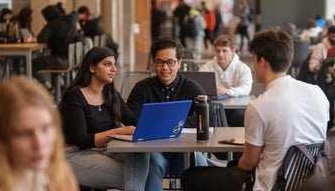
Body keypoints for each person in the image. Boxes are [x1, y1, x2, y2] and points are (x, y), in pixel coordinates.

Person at [181, 28, 329, 191]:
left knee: (191, 176)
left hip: (271, 184)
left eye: (254, 59)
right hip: (310, 182)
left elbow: (248, 163)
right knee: (231, 165)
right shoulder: (318, 93)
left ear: (262, 62)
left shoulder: (260, 106)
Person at [59, 47, 160, 190]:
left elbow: (134, 121)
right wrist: (118, 131)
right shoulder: (74, 97)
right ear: (92, 67)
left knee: (141, 155)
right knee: (137, 176)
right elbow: (80, 140)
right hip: (74, 154)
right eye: (107, 64)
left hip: (104, 150)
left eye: (114, 64)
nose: (114, 69)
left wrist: (160, 121)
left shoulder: (111, 95)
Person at [126, 36, 216, 190]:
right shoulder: (142, 88)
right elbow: (130, 118)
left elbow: (209, 117)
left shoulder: (190, 86)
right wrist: (171, 124)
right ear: (153, 63)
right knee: (153, 163)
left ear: (179, 63)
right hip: (151, 150)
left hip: (183, 150)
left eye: (170, 62)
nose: (165, 68)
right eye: (159, 62)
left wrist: (171, 125)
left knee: (201, 165)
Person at [0, 76, 78, 190]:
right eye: (25, 134)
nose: (39, 143)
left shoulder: (60, 174)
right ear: (0, 138)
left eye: (45, 128)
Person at [199, 34, 252, 127]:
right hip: (213, 107)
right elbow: (198, 85)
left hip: (236, 109)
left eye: (224, 51)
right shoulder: (207, 67)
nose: (220, 54)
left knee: (241, 116)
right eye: (218, 51)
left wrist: (229, 91)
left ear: (233, 50)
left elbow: (246, 88)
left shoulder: (243, 68)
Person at [33, 4, 82, 90]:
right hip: (74, 58)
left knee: (32, 64)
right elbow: (76, 14)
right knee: (51, 59)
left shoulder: (52, 24)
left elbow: (41, 38)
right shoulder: (71, 20)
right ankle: (61, 84)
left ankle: (48, 86)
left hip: (62, 60)